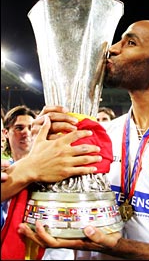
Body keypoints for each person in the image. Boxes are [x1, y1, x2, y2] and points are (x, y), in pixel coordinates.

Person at [18, 20, 149, 260]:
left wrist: (118, 247)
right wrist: (42, 143)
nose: (112, 49)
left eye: (130, 43)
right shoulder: (103, 133)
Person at [1, 106, 102, 260]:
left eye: (30, 127)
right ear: (5, 133)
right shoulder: (5, 172)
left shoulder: (64, 168)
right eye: (19, 128)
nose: (26, 133)